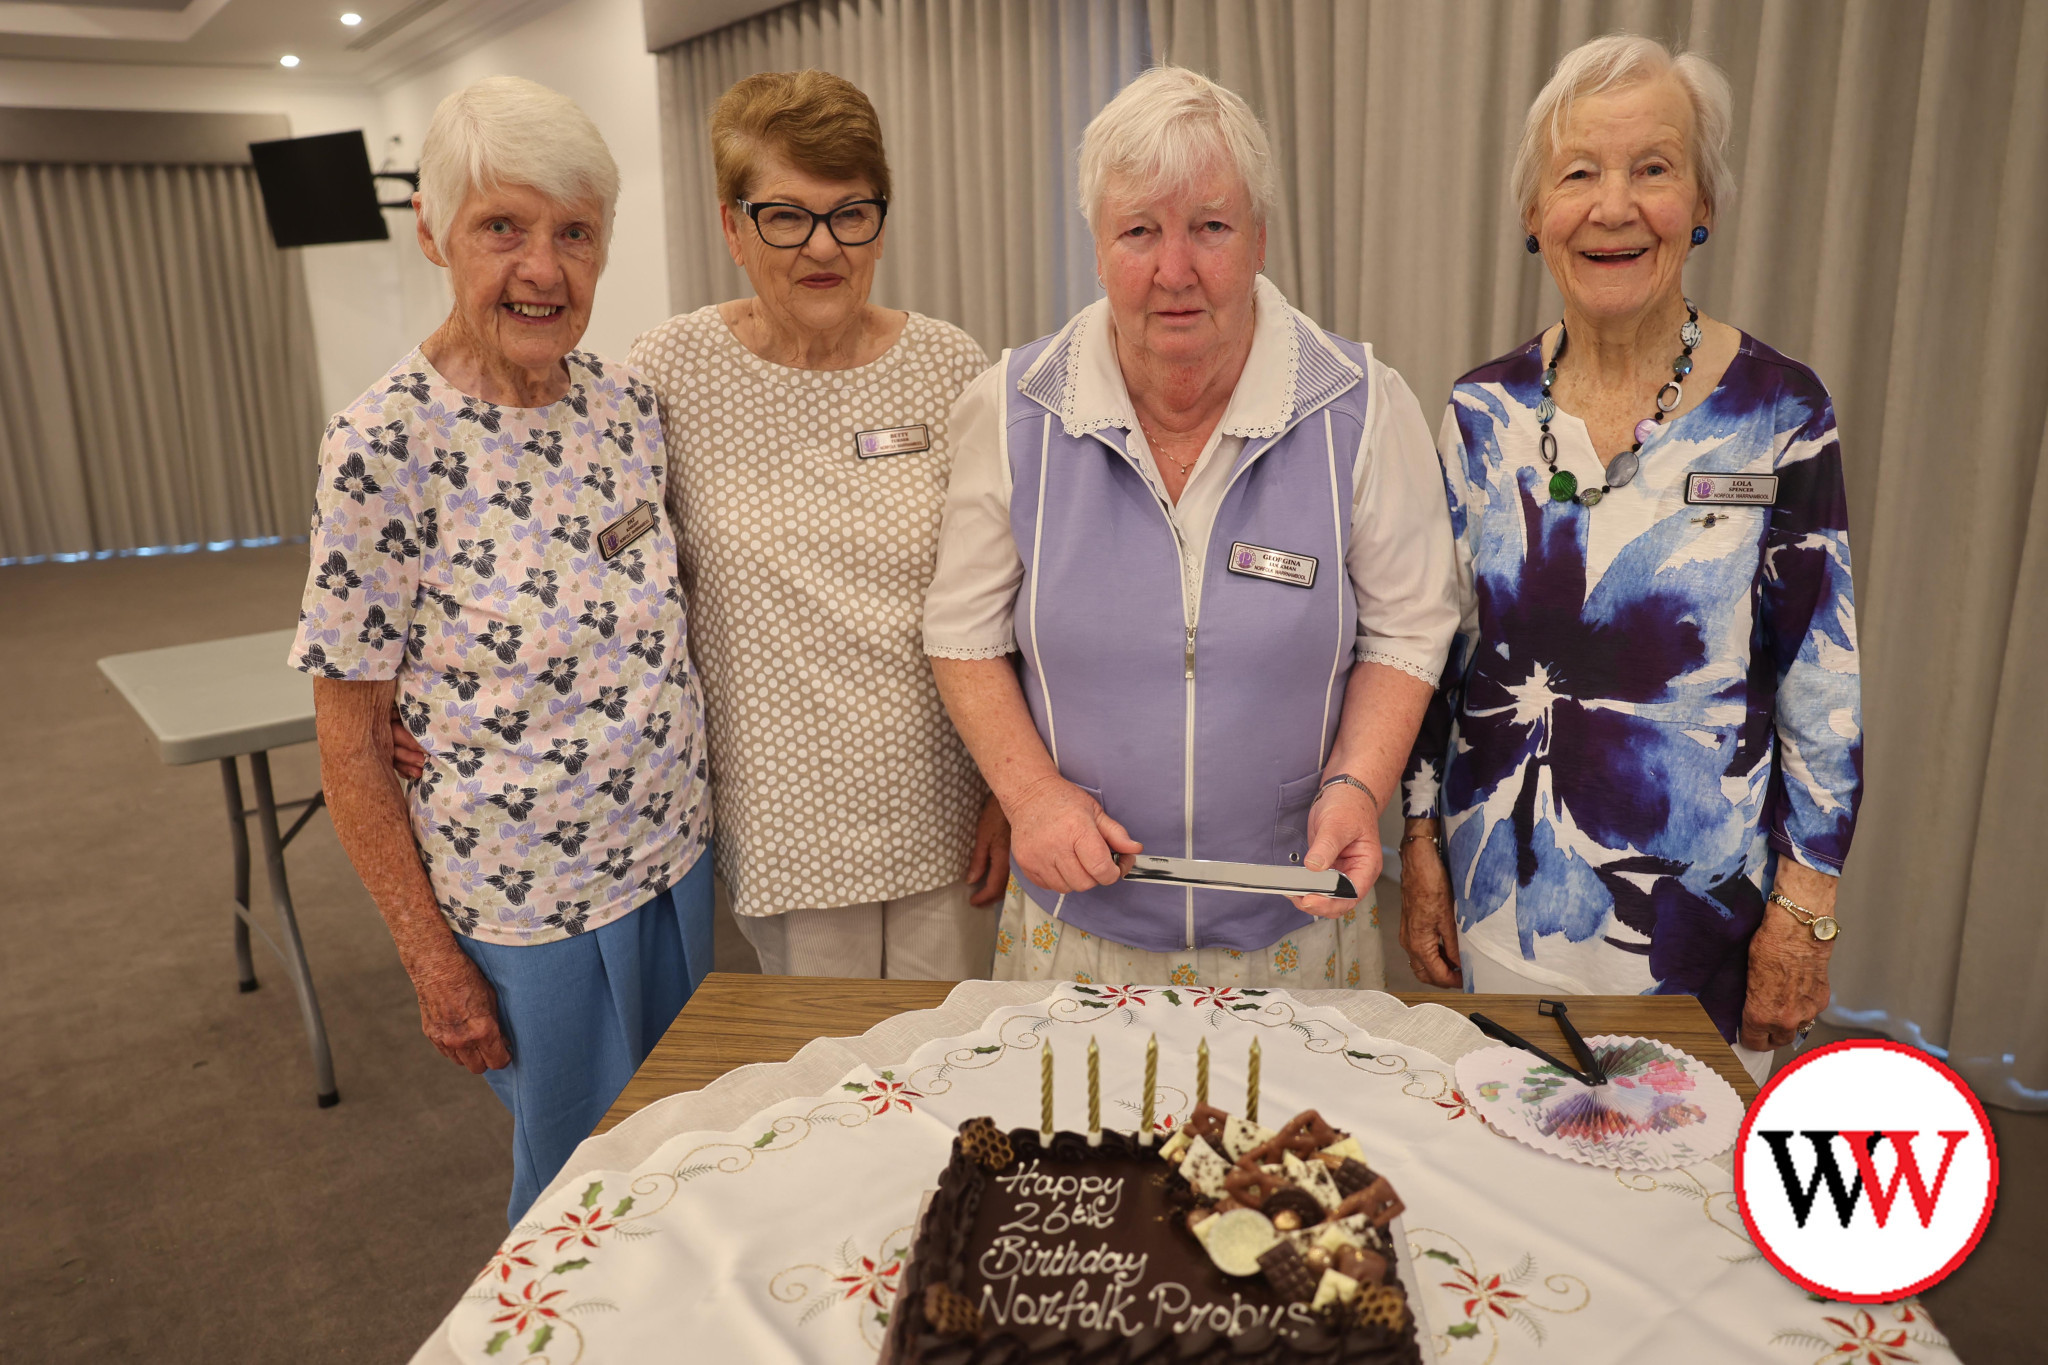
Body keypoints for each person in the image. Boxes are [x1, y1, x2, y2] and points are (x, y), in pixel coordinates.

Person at [925, 66, 1457, 990]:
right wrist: (1031, 794)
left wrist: (1357, 786)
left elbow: (1409, 627)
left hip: (1294, 929)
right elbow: (962, 633)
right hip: (1077, 933)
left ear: (1259, 237)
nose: (1175, 271)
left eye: (1209, 226)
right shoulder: (1012, 412)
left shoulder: (1362, 407)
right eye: (1139, 231)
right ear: (1097, 247)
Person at [1397, 36, 1861, 1082]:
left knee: (1669, 1202)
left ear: (1700, 203)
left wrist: (1805, 906)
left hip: (1693, 919)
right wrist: (1417, 844)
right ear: (1531, 215)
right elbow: (1433, 653)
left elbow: (1819, 676)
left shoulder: (1779, 413)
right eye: (1576, 174)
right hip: (1499, 891)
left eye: (1651, 168)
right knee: (1504, 1170)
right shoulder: (1478, 414)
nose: (1613, 205)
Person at [293, 76, 713, 1224]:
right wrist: (433, 966)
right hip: (530, 908)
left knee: (691, 1152)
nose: (543, 268)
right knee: (580, 1194)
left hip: (676, 864)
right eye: (502, 228)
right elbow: (350, 748)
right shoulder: (383, 448)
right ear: (433, 233)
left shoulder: (626, 409)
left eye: (574, 233)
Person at [626, 71, 1006, 978]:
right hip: (783, 810)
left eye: (851, 212)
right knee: (827, 1082)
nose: (823, 245)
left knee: (946, 1066)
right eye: (786, 216)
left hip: (947, 799)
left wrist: (1010, 786)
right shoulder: (669, 372)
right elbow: (595, 557)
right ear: (733, 226)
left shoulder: (950, 364)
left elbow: (1009, 586)